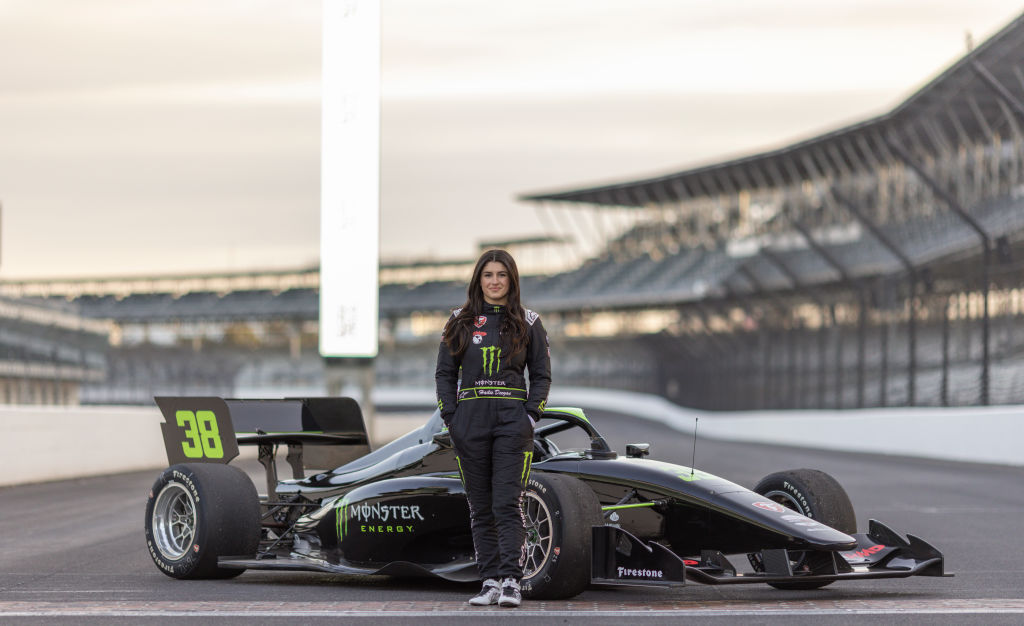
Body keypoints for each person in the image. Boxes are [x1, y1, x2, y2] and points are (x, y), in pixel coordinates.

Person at [435, 249, 551, 608]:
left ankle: (512, 582)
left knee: (506, 503)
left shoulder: (529, 321)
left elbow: (542, 377)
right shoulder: (459, 320)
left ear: (512, 280)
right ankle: (488, 581)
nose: (495, 281)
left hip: (511, 423)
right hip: (469, 421)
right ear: (478, 279)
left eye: (502, 274)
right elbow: (444, 373)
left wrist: (530, 416)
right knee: (480, 506)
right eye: (488, 275)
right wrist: (451, 418)